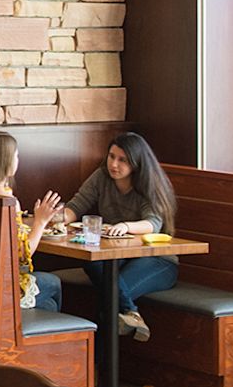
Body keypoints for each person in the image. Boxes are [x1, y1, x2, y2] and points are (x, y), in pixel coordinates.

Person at [58, 131, 179, 340]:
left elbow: (153, 224)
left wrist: (125, 226)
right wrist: (55, 218)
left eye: (122, 160)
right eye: (112, 156)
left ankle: (98, 367)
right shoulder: (101, 176)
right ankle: (132, 313)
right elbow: (77, 205)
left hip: (157, 260)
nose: (114, 164)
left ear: (136, 163)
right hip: (118, 257)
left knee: (108, 299)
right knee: (92, 262)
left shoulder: (149, 184)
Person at [0, 130, 63, 311]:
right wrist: (40, 222)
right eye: (16, 155)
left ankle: (25, 334)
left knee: (48, 305)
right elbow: (20, 256)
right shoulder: (7, 202)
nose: (18, 159)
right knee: (54, 282)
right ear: (7, 162)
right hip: (1, 289)